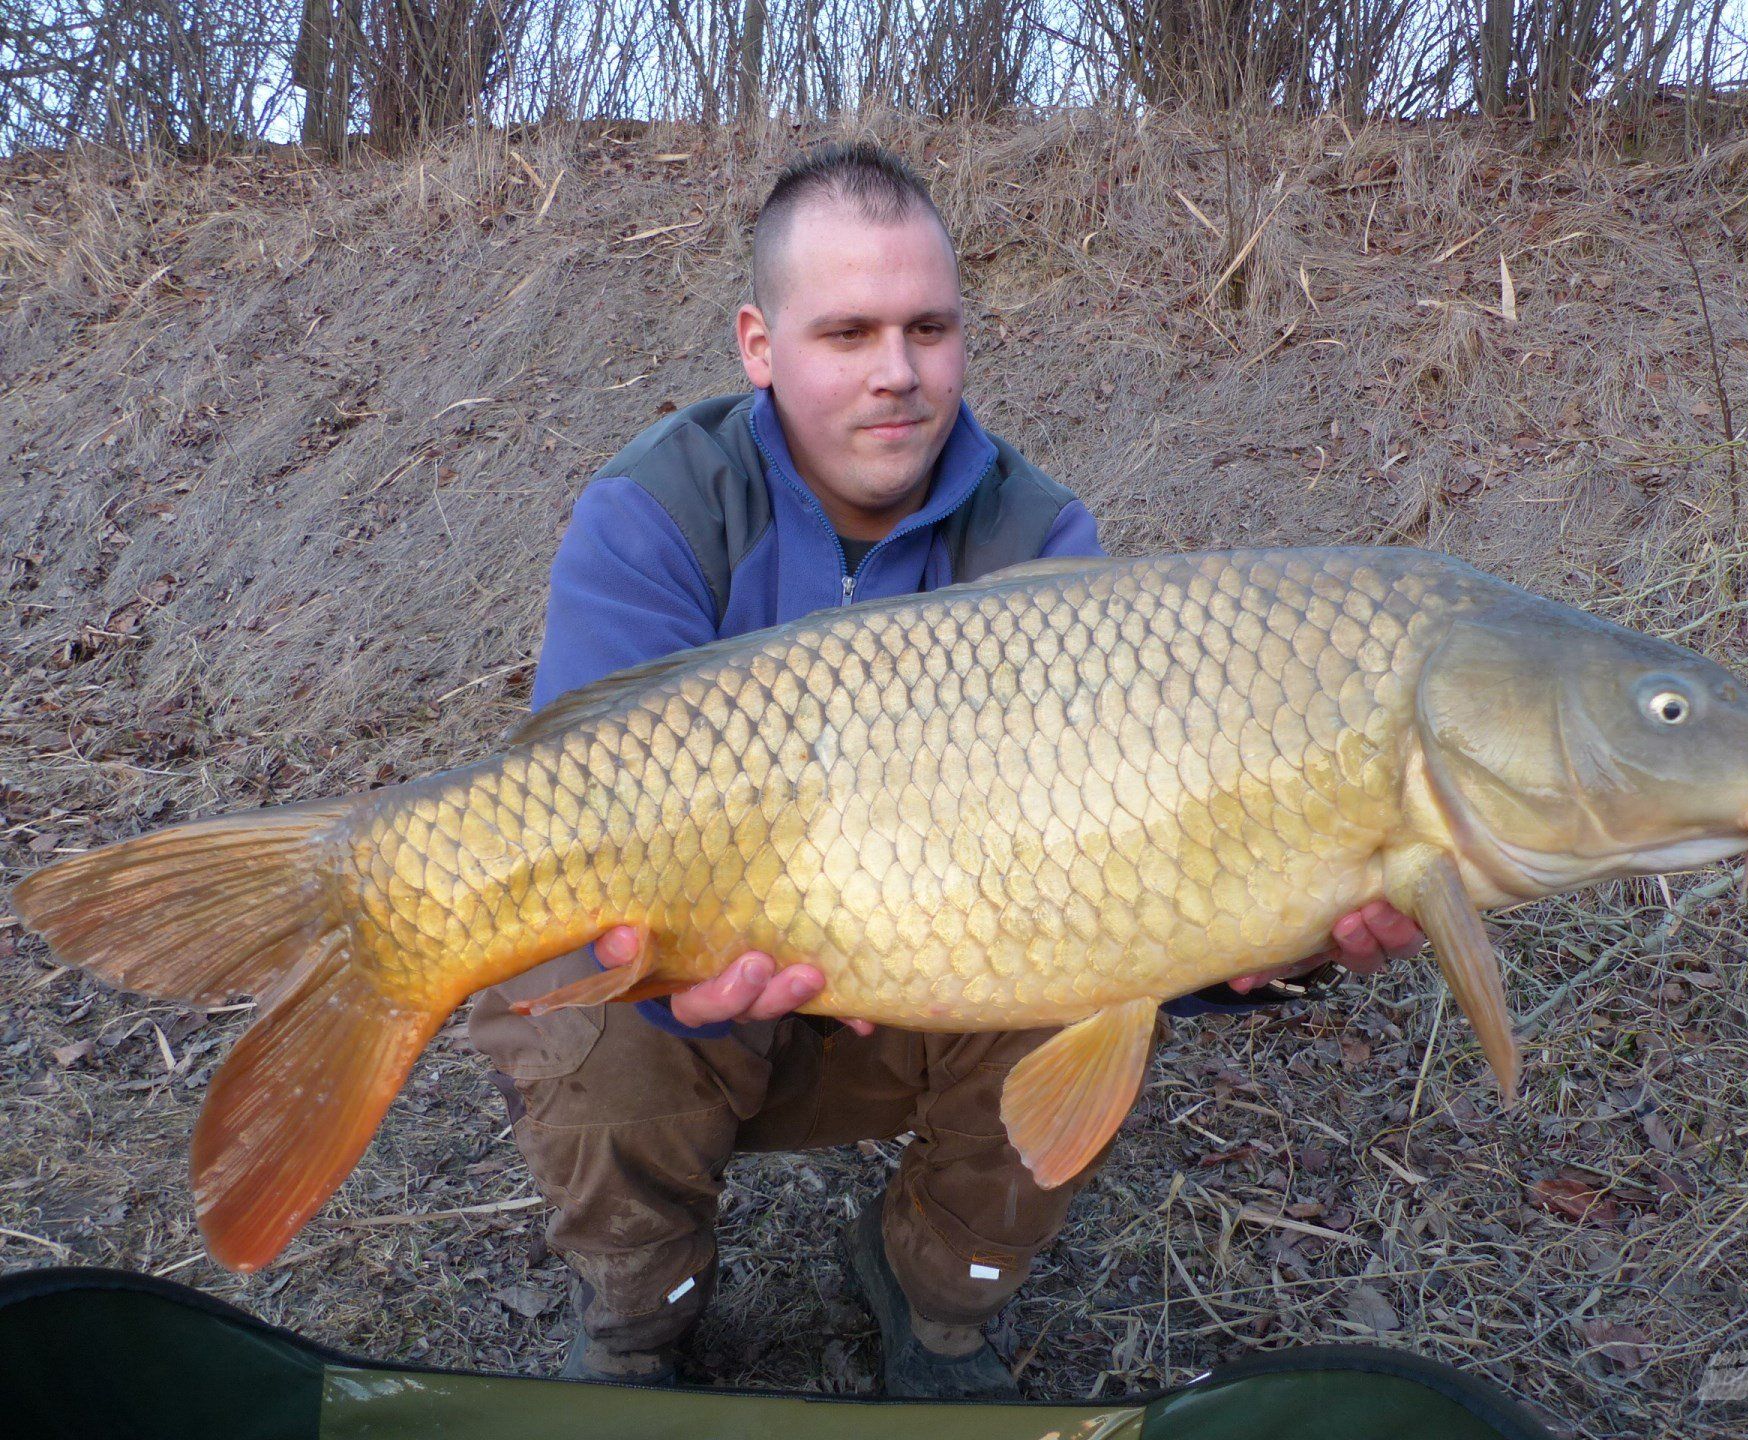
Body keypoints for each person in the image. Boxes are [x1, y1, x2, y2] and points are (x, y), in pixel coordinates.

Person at [469, 142, 1424, 1399]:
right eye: (848, 332)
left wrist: (1270, 945)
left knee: (1076, 975)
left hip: (932, 980)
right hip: (710, 979)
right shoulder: (658, 513)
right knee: (552, 955)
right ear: (759, 346)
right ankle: (643, 1313)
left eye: (930, 326)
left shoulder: (1039, 539)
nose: (898, 373)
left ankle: (936, 1293)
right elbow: (576, 820)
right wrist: (665, 986)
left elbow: (1128, 872)